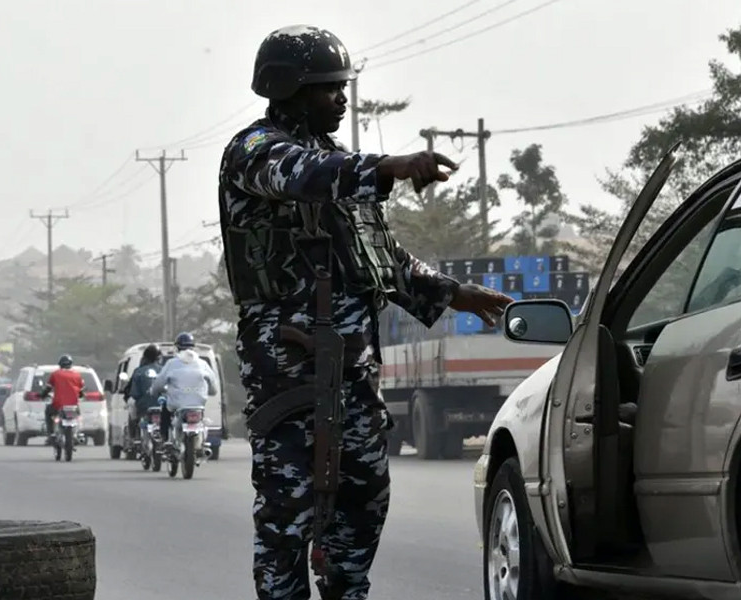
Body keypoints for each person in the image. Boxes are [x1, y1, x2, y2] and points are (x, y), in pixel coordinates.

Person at [219, 25, 514, 600]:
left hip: (352, 372)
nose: (341, 98)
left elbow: (380, 257)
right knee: (288, 515)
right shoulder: (254, 151)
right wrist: (392, 166)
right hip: (289, 369)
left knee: (364, 499)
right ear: (292, 89)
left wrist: (455, 294)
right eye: (329, 88)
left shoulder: (337, 163)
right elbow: (301, 176)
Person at [148, 332, 218, 447]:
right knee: (202, 419)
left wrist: (153, 391)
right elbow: (213, 388)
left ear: (177, 348)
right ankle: (202, 442)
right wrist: (208, 392)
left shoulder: (171, 363)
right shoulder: (203, 364)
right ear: (193, 348)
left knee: (165, 410)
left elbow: (159, 384)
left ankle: (165, 439)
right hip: (198, 405)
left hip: (177, 405)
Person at [42, 354, 84, 440]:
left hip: (58, 405)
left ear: (60, 364)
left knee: (48, 411)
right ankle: (78, 432)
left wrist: (42, 395)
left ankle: (51, 433)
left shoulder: (55, 374)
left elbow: (48, 389)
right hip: (74, 406)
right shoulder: (77, 375)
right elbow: (81, 392)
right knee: (78, 416)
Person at [126, 344, 163, 442]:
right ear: (159, 358)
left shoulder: (138, 371)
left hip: (144, 407)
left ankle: (133, 435)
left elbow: (134, 393)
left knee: (131, 406)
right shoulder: (164, 370)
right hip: (162, 405)